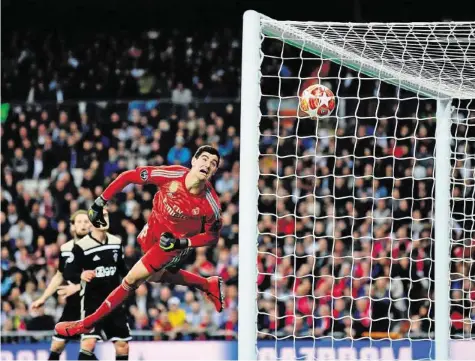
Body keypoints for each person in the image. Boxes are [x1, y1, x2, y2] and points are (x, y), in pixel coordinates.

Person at [55, 145, 224, 338]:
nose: (208, 164)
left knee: (131, 280)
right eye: (204, 159)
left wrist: (180, 244)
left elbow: (212, 236)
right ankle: (206, 284)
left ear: (214, 171)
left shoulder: (211, 205)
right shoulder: (171, 174)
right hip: (152, 228)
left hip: (171, 245)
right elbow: (129, 176)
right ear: (193, 161)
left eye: (213, 163)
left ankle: (86, 324)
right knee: (153, 276)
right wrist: (100, 201)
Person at [62, 208, 131, 360]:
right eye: (100, 215)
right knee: (89, 343)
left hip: (114, 302)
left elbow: (123, 269)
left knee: (123, 346)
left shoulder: (116, 242)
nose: (104, 218)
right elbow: (67, 272)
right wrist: (80, 274)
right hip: (92, 303)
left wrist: (136, 281)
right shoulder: (82, 246)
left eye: (106, 215)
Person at [30, 210, 94, 360]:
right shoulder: (66, 249)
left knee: (87, 348)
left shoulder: (97, 247)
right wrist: (43, 298)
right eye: (79, 221)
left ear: (91, 226)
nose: (83, 225)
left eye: (86, 222)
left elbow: (104, 276)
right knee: (57, 346)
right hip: (73, 302)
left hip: (93, 301)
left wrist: (78, 287)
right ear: (72, 226)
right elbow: (59, 275)